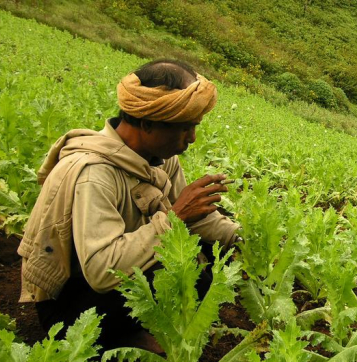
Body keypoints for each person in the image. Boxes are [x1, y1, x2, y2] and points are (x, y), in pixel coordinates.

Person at [17, 59, 240, 353]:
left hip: (122, 279)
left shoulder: (161, 158)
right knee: (177, 265)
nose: (192, 139)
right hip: (74, 306)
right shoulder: (94, 173)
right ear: (147, 123)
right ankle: (120, 341)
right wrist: (175, 217)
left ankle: (140, 333)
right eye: (185, 128)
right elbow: (100, 271)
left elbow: (193, 218)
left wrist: (241, 237)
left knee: (203, 265)